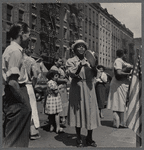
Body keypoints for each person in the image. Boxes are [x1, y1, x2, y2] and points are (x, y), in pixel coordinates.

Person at [66, 39, 101, 147]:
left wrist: (93, 66)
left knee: (90, 112)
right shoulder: (71, 61)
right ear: (74, 49)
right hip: (78, 87)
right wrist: (80, 65)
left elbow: (96, 74)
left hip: (89, 87)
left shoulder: (90, 59)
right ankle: (79, 138)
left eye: (83, 46)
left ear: (86, 49)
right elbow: (72, 74)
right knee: (78, 113)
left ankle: (89, 138)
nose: (81, 48)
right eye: (78, 46)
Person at [2, 22, 32, 147]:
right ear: (21, 33)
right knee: (15, 139)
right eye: (28, 35)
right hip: (16, 96)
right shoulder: (15, 51)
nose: (29, 38)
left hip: (13, 96)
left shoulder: (12, 49)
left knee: (14, 135)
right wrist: (23, 102)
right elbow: (13, 82)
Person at [107, 49, 133, 128]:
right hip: (118, 84)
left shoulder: (123, 62)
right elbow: (118, 72)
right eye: (125, 54)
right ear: (123, 54)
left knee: (120, 102)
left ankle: (120, 122)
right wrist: (129, 73)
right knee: (118, 103)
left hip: (121, 84)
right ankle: (119, 122)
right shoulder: (118, 60)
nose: (126, 56)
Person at [23, 48, 40, 140]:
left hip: (16, 86)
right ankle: (33, 131)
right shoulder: (31, 60)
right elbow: (35, 75)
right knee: (32, 108)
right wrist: (33, 84)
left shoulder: (17, 58)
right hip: (28, 85)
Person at [51, 57, 68, 125]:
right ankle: (58, 119)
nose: (61, 63)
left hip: (62, 87)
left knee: (63, 102)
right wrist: (64, 80)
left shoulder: (60, 68)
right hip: (57, 87)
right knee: (59, 103)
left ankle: (62, 117)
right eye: (60, 61)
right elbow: (55, 78)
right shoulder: (54, 68)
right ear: (55, 62)